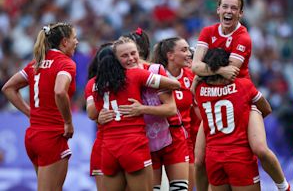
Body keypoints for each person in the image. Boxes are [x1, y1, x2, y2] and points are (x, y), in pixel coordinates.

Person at [191, 0, 289, 191]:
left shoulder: (243, 37)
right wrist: (217, 70)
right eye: (225, 6)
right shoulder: (208, 32)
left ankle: (283, 186)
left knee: (260, 149)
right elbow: (195, 66)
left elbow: (232, 73)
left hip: (242, 97)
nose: (229, 11)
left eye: (234, 8)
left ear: (241, 13)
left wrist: (202, 76)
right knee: (199, 159)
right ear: (218, 9)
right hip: (214, 97)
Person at [90, 39, 181, 191]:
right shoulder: (135, 74)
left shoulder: (95, 84)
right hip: (133, 145)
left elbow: (92, 113)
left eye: (133, 53)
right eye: (125, 55)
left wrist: (100, 115)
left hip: (108, 148)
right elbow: (175, 84)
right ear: (116, 59)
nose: (131, 58)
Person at [2, 23, 78, 190]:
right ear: (64, 42)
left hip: (33, 136)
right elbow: (59, 91)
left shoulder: (36, 63)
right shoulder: (65, 63)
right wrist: (68, 122)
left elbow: (8, 88)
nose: (77, 42)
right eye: (74, 38)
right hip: (52, 136)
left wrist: (30, 113)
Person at [195, 48, 272, 191]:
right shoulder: (243, 85)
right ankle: (282, 185)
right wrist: (249, 124)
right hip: (239, 157)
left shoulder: (199, 89)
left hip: (213, 159)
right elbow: (266, 109)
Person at [152, 37, 196, 190]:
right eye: (184, 50)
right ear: (170, 55)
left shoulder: (192, 76)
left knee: (184, 188)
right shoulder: (155, 75)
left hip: (183, 140)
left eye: (189, 49)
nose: (189, 53)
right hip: (156, 139)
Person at [85, 42, 113, 191]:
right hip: (106, 144)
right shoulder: (94, 84)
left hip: (129, 143)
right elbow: (91, 113)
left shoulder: (132, 77)